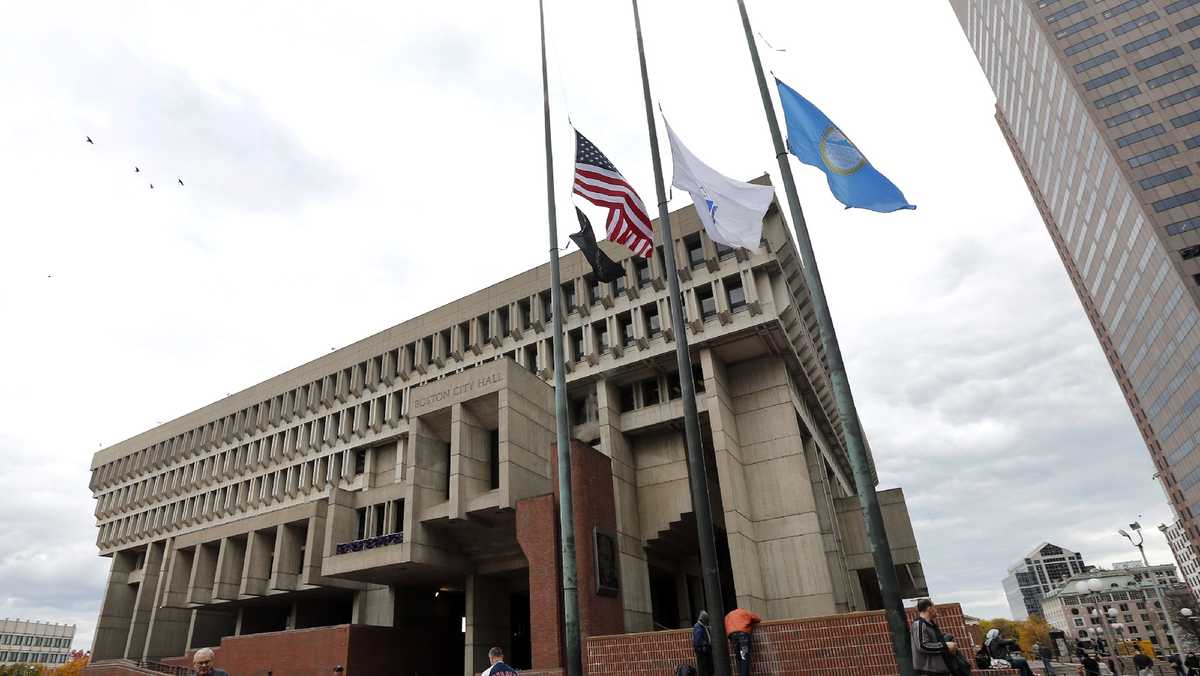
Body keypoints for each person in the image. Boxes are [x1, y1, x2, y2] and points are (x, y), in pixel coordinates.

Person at [910, 599, 954, 675]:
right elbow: (922, 645)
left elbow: (933, 640)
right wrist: (945, 646)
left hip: (938, 669)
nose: (936, 610)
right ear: (929, 608)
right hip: (929, 671)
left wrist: (946, 638)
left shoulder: (930, 624)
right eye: (934, 607)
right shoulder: (919, 624)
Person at [725, 607, 761, 676]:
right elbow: (757, 618)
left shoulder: (729, 615)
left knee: (738, 658)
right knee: (744, 656)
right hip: (743, 637)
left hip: (733, 637)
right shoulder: (744, 612)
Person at [692, 611, 713, 676]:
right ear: (703, 619)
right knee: (703, 668)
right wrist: (704, 645)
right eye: (706, 620)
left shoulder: (703, 626)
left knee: (707, 668)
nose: (707, 622)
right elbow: (698, 640)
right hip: (702, 651)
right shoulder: (698, 627)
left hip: (705, 649)